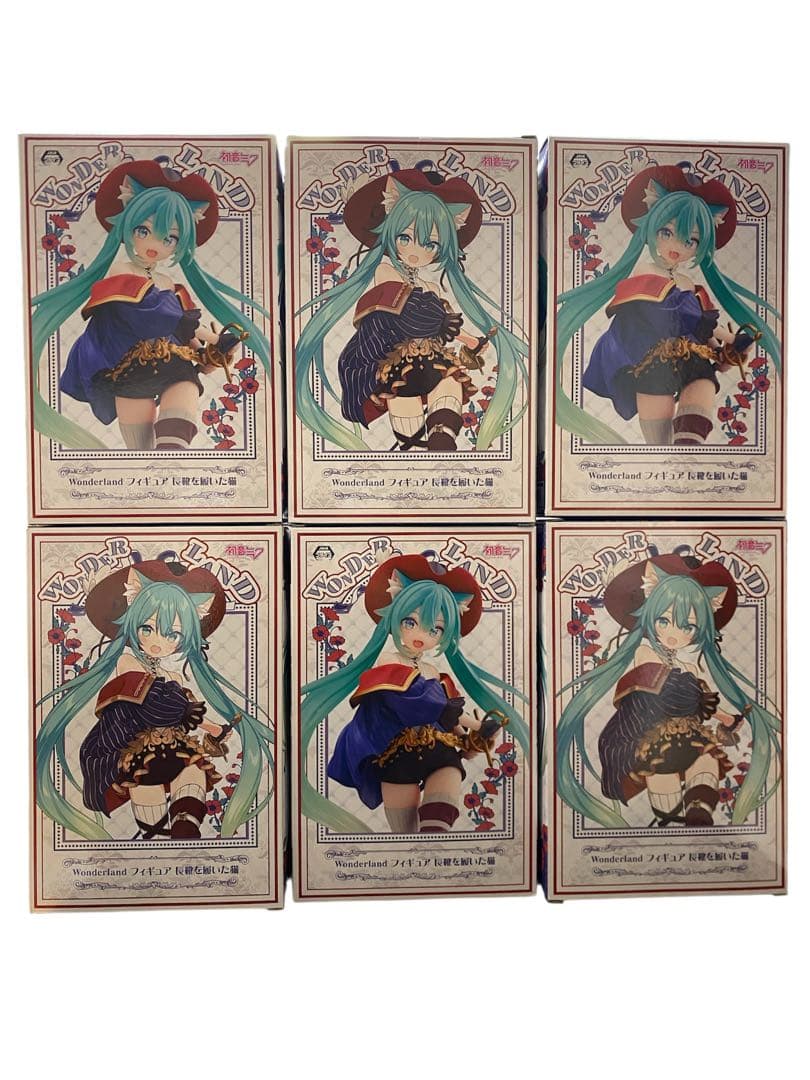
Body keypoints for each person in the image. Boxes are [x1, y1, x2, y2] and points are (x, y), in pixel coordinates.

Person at [31, 158, 271, 450]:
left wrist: (210, 354)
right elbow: (160, 315)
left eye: (170, 238)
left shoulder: (169, 283)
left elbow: (184, 331)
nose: (155, 244)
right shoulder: (122, 272)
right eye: (143, 231)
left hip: (175, 365)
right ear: (127, 226)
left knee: (176, 435)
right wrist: (214, 337)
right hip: (132, 369)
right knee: (141, 450)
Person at [36, 559, 273, 841]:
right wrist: (199, 717)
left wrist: (214, 728)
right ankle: (157, 835)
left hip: (173, 746)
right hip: (135, 749)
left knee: (192, 774)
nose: (158, 642)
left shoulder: (171, 674)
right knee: (146, 783)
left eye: (172, 634)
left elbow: (185, 711)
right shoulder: (128, 662)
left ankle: (185, 825)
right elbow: (160, 706)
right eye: (147, 629)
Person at [295, 169, 528, 452]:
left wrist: (471, 340)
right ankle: (414, 448)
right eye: (405, 238)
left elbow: (441, 321)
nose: (416, 251)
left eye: (430, 244)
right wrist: (461, 333)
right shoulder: (385, 271)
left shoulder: (429, 285)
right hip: (390, 359)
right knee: (404, 393)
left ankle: (441, 440)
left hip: (429, 356)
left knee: (449, 385)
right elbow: (416, 315)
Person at [300, 553, 529, 834]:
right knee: (405, 837)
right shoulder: (388, 663)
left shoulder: (435, 673)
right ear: (394, 617)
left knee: (437, 823)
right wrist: (478, 725)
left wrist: (472, 742)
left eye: (435, 629)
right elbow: (424, 701)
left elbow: (449, 720)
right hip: (398, 758)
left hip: (440, 753)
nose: (422, 634)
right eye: (410, 622)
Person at [556, 164, 781, 445]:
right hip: (655, 364)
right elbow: (679, 313)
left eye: (691, 240)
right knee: (660, 444)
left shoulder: (689, 284)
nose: (677, 245)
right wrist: (731, 337)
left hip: (694, 363)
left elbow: (702, 330)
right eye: (666, 232)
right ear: (651, 228)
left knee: (693, 429)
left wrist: (725, 354)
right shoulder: (645, 273)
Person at [556, 553, 780, 829]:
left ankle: (698, 811)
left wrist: (726, 718)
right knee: (663, 769)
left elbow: (699, 697)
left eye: (688, 626)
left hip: (688, 733)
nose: (674, 633)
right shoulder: (646, 653)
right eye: (663, 621)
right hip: (647, 737)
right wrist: (718, 712)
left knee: (706, 762)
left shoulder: (690, 663)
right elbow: (677, 691)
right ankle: (670, 821)